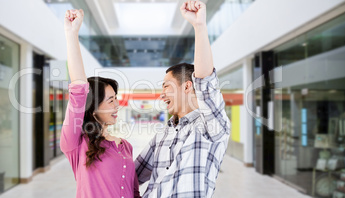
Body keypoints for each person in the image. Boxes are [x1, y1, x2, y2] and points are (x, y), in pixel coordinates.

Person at [134, 1, 231, 197]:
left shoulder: (210, 127)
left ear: (187, 87)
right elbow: (132, 175)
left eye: (166, 87)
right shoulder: (162, 135)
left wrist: (199, 26)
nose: (161, 94)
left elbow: (205, 82)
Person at [60, 9, 140, 198]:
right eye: (110, 100)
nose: (117, 106)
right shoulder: (77, 144)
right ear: (93, 107)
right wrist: (72, 34)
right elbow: (79, 89)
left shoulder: (125, 146)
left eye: (116, 99)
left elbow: (134, 191)